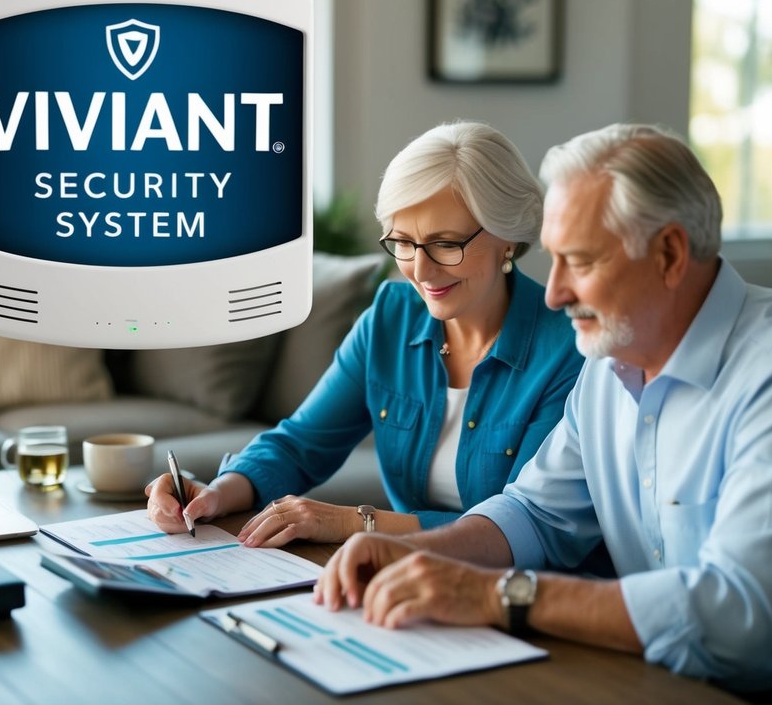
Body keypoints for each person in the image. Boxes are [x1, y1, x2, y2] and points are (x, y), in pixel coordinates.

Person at [315, 123, 772, 696]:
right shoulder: (611, 361)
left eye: (579, 262)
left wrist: (494, 594)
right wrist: (422, 551)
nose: (553, 292)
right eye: (553, 259)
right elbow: (534, 514)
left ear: (668, 254)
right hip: (668, 672)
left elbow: (733, 612)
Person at [146, 121, 584, 547]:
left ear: (507, 235)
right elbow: (301, 443)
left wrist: (355, 522)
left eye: (446, 243)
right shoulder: (389, 319)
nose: (421, 269)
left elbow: (523, 527)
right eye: (403, 242)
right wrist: (218, 493)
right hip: (399, 578)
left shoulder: (569, 349)